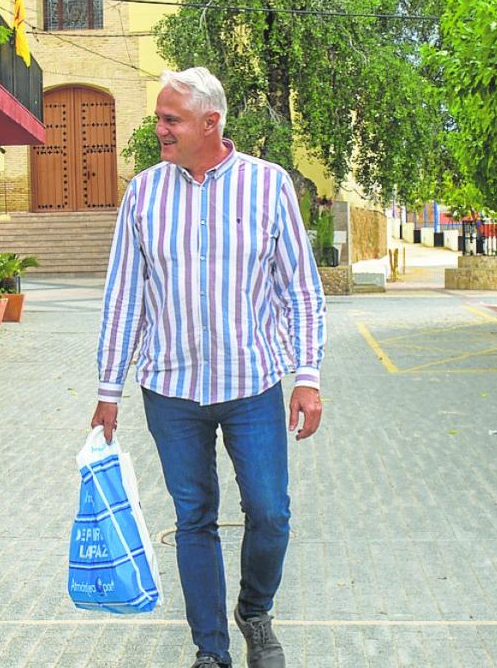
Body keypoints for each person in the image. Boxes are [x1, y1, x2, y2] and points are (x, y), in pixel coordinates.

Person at [91, 68, 326, 668]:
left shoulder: (268, 186)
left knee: (270, 511)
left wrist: (307, 376)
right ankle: (210, 649)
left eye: (171, 119)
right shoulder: (144, 192)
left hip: (252, 387)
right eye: (160, 117)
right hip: (170, 391)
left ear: (210, 122)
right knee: (193, 518)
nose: (159, 128)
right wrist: (108, 388)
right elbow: (125, 295)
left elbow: (301, 289)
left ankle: (254, 610)